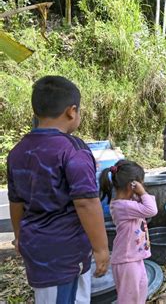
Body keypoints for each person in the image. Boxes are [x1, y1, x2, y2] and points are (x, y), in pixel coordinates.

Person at [7, 76, 109, 303]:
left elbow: (16, 201)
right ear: (72, 111)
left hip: (36, 248)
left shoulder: (17, 151)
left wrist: (19, 237)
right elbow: (86, 202)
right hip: (65, 254)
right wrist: (101, 249)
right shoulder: (73, 149)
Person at [99, 160, 157, 304]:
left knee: (140, 292)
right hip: (127, 261)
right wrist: (142, 192)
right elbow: (152, 210)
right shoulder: (123, 206)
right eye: (141, 184)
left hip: (134, 257)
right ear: (132, 185)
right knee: (129, 299)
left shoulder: (127, 203)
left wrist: (138, 194)